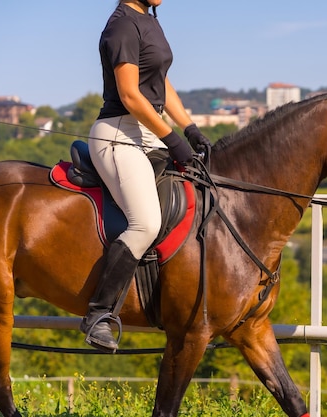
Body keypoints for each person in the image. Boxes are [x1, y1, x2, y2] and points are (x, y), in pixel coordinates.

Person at [80, 0, 211, 353]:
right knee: (146, 223)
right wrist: (173, 139)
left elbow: (160, 84)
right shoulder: (122, 25)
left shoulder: (149, 21)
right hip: (120, 135)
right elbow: (129, 94)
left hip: (151, 135)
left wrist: (190, 127)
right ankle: (99, 314)